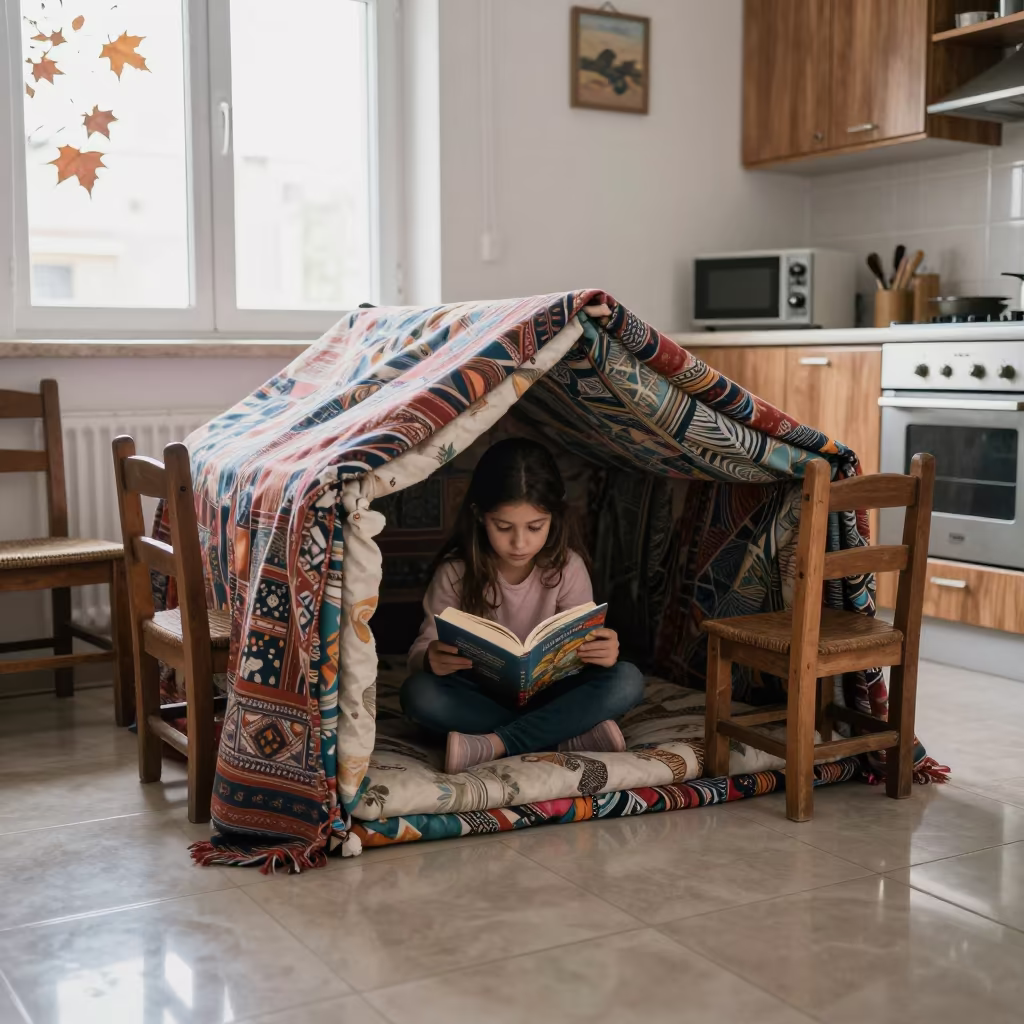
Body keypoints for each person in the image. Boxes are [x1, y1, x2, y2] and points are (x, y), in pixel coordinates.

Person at [402, 437, 645, 774]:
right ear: (479, 516)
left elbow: (584, 644)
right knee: (420, 695)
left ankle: (494, 743)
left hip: (552, 694)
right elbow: (422, 649)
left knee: (627, 680)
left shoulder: (567, 567)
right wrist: (429, 659)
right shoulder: (455, 572)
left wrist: (603, 652)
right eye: (503, 527)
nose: (519, 543)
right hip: (478, 695)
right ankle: (562, 736)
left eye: (535, 527)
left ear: (554, 517)